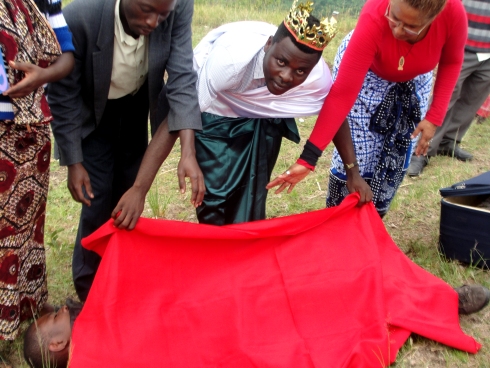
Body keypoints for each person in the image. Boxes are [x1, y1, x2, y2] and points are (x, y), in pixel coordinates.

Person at [22, 196, 490, 367]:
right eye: (58, 317)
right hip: (240, 330)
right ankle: (432, 299)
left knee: (296, 273)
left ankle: (423, 294)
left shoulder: (102, 309)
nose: (66, 307)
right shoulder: (99, 349)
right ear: (59, 345)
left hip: (221, 295)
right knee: (319, 296)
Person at [112, 0, 338, 228]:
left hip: (261, 117)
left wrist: (350, 170)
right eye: (281, 62)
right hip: (213, 108)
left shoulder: (315, 75)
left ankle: (243, 251)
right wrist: (139, 189)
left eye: (300, 71)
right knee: (214, 198)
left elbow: (336, 111)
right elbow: (179, 115)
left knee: (251, 193)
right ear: (268, 45)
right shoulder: (229, 61)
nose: (287, 77)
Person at [48, 0, 204, 302]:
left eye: (162, 14)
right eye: (146, 10)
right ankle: (89, 288)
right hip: (92, 111)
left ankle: (119, 276)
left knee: (127, 190)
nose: (154, 22)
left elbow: (182, 76)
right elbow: (63, 93)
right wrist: (73, 161)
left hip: (136, 105)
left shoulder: (176, 6)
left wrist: (188, 151)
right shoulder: (80, 16)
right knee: (97, 195)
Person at [267, 0, 468, 217]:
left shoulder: (453, 13)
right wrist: (308, 158)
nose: (398, 30)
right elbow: (341, 96)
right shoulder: (375, 15)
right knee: (359, 154)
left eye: (410, 27)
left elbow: (452, 61)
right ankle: (339, 219)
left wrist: (433, 117)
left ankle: (373, 219)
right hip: (368, 73)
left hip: (416, 76)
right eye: (394, 18)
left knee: (397, 154)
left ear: (433, 19)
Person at [0, 0, 75, 340]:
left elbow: (67, 54)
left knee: (27, 225)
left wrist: (44, 76)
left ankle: (24, 306)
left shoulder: (43, 0)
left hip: (31, 131)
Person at [408, 0, 490, 176]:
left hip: (488, 49)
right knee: (447, 95)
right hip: (463, 44)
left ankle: (449, 140)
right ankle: (420, 152)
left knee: (473, 97)